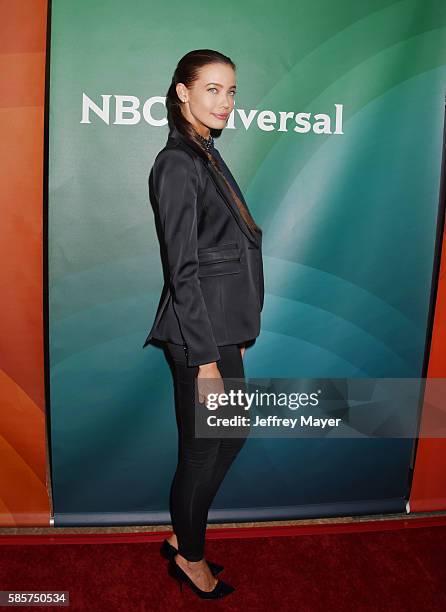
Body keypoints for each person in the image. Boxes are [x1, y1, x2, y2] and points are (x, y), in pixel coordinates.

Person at [142, 49, 264, 599]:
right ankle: (190, 555)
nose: (224, 101)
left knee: (231, 437)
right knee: (200, 451)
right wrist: (207, 359)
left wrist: (234, 335)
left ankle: (181, 532)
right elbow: (183, 268)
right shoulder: (178, 163)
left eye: (231, 91)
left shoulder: (207, 154)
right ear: (182, 93)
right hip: (198, 339)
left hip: (221, 331)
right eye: (211, 89)